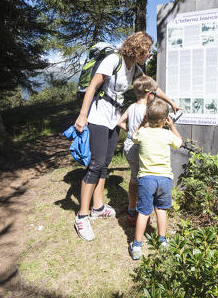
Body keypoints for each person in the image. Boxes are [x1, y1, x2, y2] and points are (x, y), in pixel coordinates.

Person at [73, 31, 178, 241]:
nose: (149, 55)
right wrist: (82, 115)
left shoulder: (134, 68)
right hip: (98, 115)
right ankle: (82, 216)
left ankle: (98, 207)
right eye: (147, 51)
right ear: (138, 48)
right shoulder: (114, 60)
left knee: (105, 164)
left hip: (113, 117)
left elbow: (153, 89)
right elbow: (93, 86)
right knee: (95, 163)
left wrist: (171, 103)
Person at [128, 98, 183, 260]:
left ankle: (137, 245)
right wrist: (172, 126)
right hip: (165, 179)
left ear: (147, 116)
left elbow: (133, 137)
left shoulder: (143, 133)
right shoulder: (167, 134)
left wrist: (141, 124)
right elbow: (179, 142)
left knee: (144, 212)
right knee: (161, 209)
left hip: (146, 179)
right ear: (165, 120)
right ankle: (163, 240)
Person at [116, 75, 159, 226]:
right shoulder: (148, 110)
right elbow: (148, 131)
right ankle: (144, 211)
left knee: (134, 177)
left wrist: (130, 131)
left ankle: (131, 209)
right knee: (145, 178)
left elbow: (120, 122)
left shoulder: (131, 107)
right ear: (149, 93)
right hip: (142, 146)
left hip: (129, 145)